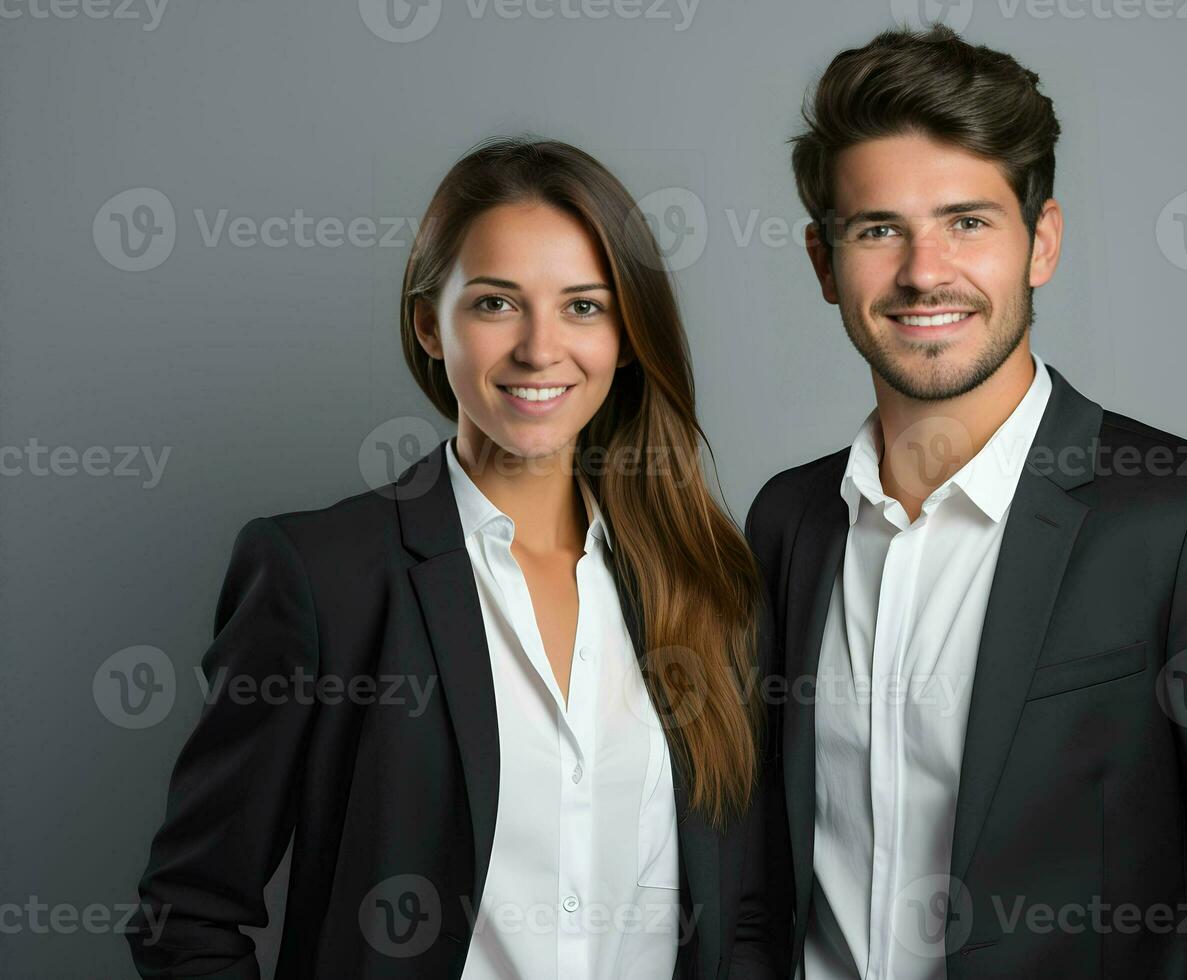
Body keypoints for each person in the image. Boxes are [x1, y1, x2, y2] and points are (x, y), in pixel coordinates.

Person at [744, 27, 1187, 979]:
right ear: (823, 261)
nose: (924, 272)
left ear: (1039, 243)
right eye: (880, 229)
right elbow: (761, 878)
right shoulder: (790, 524)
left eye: (968, 222)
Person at [127, 137, 787, 979]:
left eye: (584, 306)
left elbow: (746, 914)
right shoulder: (322, 576)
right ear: (428, 326)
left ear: (627, 338)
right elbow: (189, 916)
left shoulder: (709, 585)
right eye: (496, 304)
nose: (541, 349)